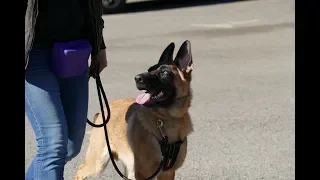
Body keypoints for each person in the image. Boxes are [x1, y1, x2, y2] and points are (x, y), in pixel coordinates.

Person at [25, 0, 108, 179]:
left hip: (74, 50)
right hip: (32, 55)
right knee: (53, 144)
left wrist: (99, 44)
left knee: (70, 146)